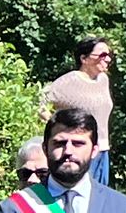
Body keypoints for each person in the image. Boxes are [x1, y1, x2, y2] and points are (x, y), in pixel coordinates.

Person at [42, 37, 116, 185]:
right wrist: (58, 130)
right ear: (84, 58)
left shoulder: (103, 80)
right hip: (78, 150)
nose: (107, 59)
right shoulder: (68, 81)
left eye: (109, 55)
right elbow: (41, 104)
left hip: (101, 150)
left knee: (98, 194)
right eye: (102, 55)